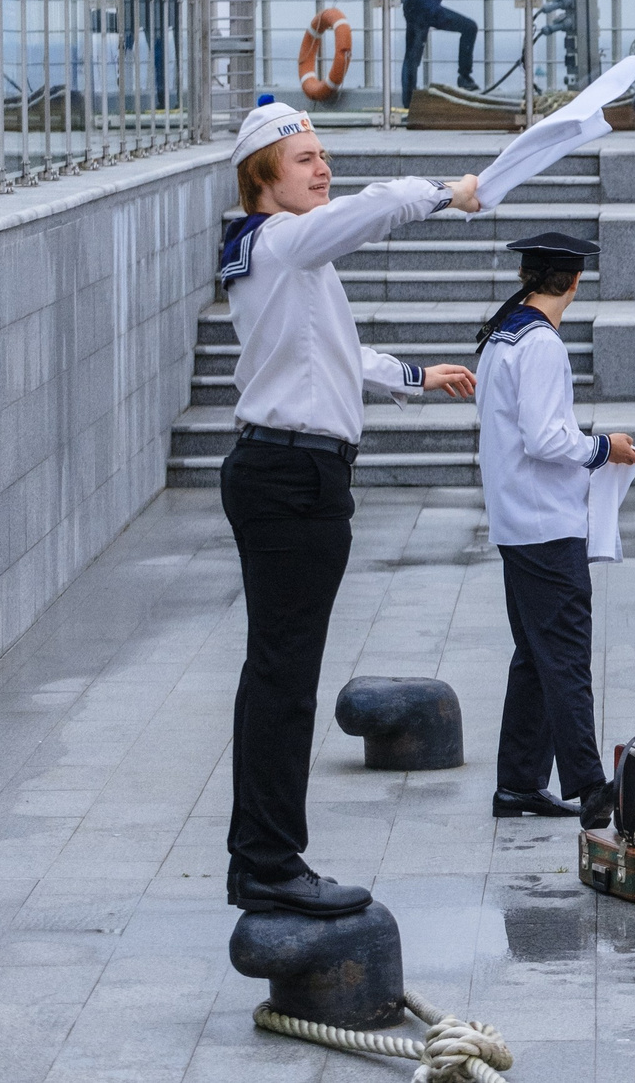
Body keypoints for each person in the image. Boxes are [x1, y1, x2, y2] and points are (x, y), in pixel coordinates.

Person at [216, 98, 480, 917]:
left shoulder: (277, 253)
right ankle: (269, 864)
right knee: (285, 680)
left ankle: (260, 857)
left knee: (275, 674)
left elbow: (330, 350)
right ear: (263, 180)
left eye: (323, 154)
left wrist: (413, 376)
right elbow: (371, 210)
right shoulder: (286, 240)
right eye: (305, 159)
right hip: (292, 477)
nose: (323, 168)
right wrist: (448, 192)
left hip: (287, 470)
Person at [476, 232, 635, 828]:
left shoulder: (502, 335)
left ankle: (519, 783)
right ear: (573, 282)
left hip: (516, 520)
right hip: (545, 525)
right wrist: (604, 448)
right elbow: (546, 438)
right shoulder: (541, 343)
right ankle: (591, 788)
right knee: (566, 656)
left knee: (535, 654)